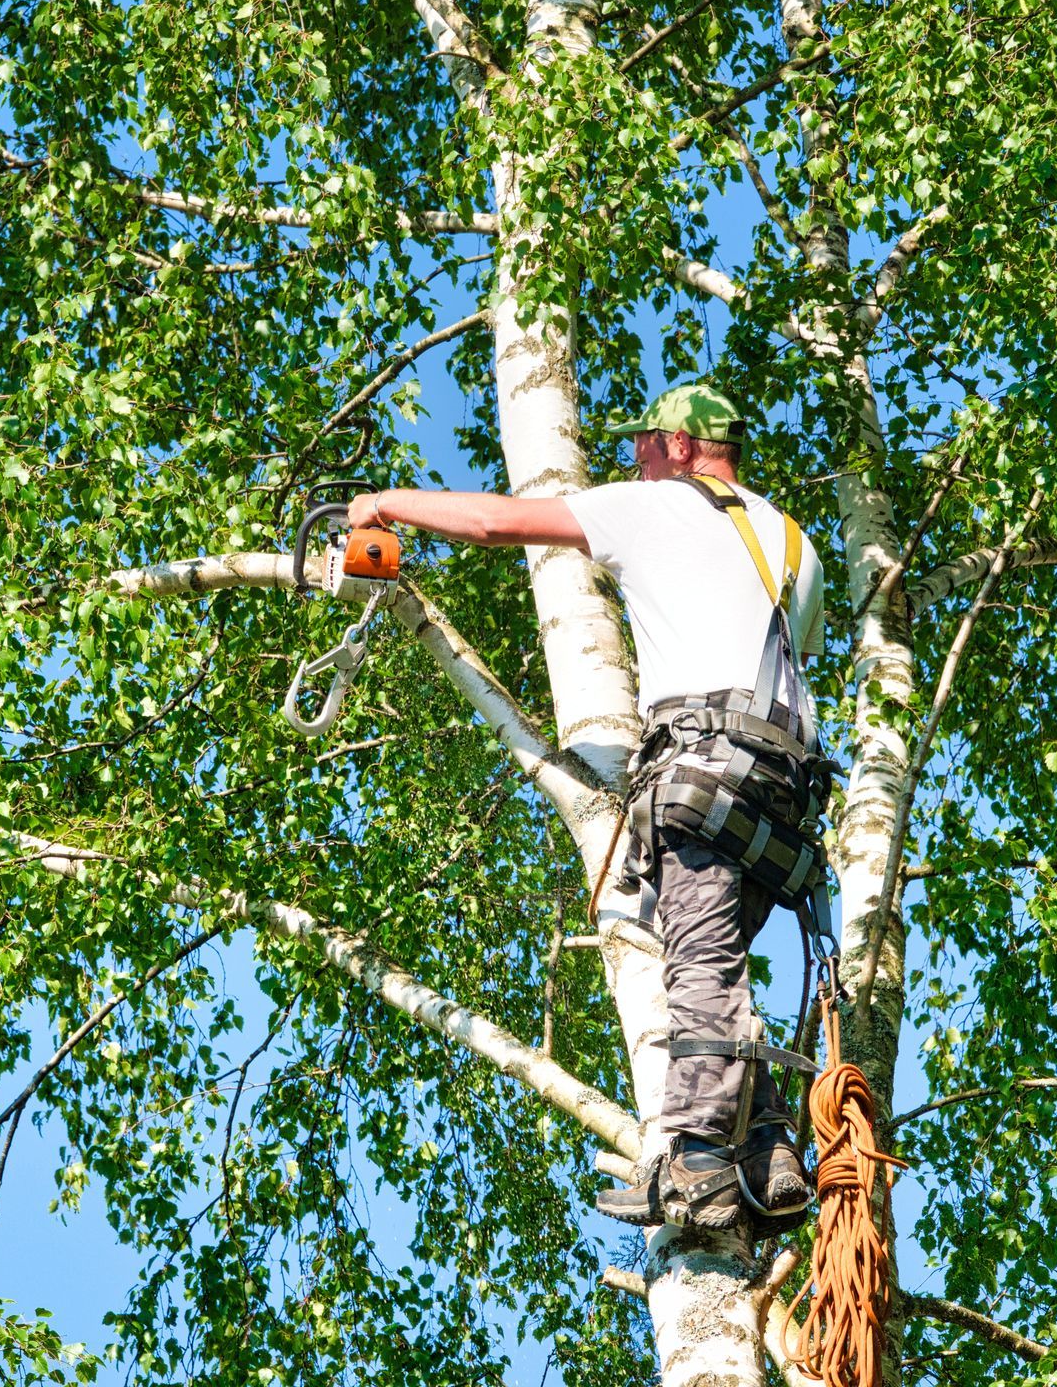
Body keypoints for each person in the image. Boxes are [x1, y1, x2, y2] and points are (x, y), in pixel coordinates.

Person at [347, 383, 823, 1235]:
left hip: (703, 777)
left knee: (698, 970)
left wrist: (386, 504)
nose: (633, 459)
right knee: (713, 968)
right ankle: (771, 1147)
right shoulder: (793, 543)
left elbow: (498, 523)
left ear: (681, 447)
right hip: (781, 797)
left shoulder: (659, 508)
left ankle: (699, 1164)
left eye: (644, 444)